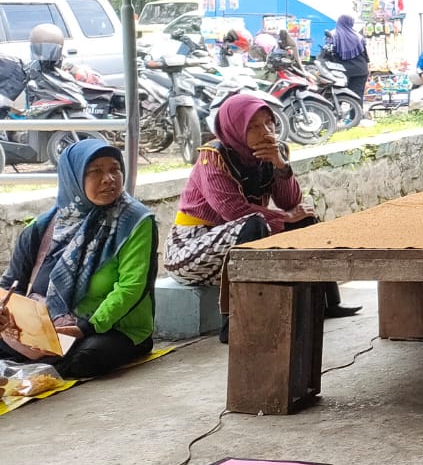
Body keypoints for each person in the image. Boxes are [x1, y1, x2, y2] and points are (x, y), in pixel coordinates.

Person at [165, 94, 359, 341]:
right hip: (192, 249)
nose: (265, 132)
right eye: (253, 126)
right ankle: (234, 323)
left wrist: (280, 165)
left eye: (269, 123)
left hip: (243, 235)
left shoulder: (275, 151)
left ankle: (327, 303)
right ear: (235, 128)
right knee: (256, 223)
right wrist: (285, 217)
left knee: (305, 220)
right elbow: (233, 211)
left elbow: (290, 202)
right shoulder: (212, 157)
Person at [0, 140, 156, 379]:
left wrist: (84, 327)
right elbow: (11, 283)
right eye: (96, 171)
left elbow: (131, 288)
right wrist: (7, 317)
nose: (109, 179)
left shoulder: (135, 222)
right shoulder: (42, 227)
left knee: (87, 357)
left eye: (115, 169)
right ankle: (39, 357)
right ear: (72, 178)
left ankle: (37, 359)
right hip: (45, 327)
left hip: (108, 328)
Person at [329, 14, 370, 115]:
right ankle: (355, 118)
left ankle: (334, 117)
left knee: (336, 95)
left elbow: (328, 53)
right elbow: (365, 56)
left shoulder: (333, 35)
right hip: (360, 70)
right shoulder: (359, 37)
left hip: (341, 72)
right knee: (357, 96)